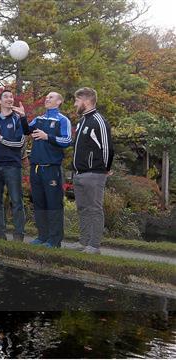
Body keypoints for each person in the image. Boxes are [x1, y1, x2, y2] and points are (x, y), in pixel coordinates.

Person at [19, 91, 72, 248]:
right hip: (35, 168)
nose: (47, 99)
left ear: (59, 102)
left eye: (51, 97)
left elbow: (67, 140)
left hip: (51, 169)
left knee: (53, 204)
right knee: (39, 203)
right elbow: (26, 131)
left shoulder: (63, 120)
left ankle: (54, 240)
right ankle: (42, 236)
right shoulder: (39, 119)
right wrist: (22, 117)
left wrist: (46, 136)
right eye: (46, 97)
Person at [72, 87, 114, 254]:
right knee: (82, 208)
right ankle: (83, 242)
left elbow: (107, 148)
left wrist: (105, 169)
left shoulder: (99, 121)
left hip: (94, 174)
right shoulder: (82, 121)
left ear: (86, 101)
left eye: (77, 100)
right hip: (79, 174)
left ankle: (94, 245)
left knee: (95, 209)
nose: (75, 104)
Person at [0, 90, 26, 241]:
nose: (10, 99)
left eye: (11, 97)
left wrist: (1, 139)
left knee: (16, 201)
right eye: (6, 97)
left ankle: (18, 235)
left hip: (12, 166)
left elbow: (20, 143)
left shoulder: (18, 120)